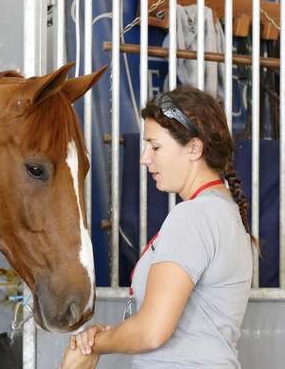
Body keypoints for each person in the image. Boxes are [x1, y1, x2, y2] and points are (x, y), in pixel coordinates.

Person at [61, 86, 258, 369]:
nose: (144, 158)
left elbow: (151, 331)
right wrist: (107, 337)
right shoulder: (223, 211)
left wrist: (92, 345)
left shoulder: (194, 216)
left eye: (155, 146)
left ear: (193, 148)